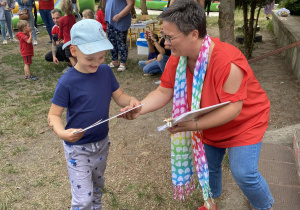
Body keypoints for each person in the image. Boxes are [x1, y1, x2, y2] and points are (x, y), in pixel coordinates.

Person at [122, 0, 274, 210]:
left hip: (244, 122)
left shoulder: (227, 62)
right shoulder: (179, 57)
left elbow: (233, 109)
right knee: (210, 168)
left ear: (194, 34)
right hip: (207, 122)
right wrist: (139, 108)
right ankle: (211, 202)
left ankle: (265, 206)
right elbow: (164, 90)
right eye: (165, 36)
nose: (165, 43)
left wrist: (192, 125)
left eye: (170, 37)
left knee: (244, 173)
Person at [47, 19, 140, 209]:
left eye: (101, 57)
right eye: (90, 58)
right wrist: (63, 133)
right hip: (77, 149)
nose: (96, 63)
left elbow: (120, 96)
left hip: (101, 144)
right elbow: (53, 115)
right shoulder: (67, 82)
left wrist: (131, 101)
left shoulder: (105, 71)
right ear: (74, 51)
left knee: (97, 190)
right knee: (83, 200)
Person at [105, 0, 134, 72]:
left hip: (121, 20)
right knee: (112, 42)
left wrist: (120, 15)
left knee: (121, 43)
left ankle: (122, 63)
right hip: (110, 21)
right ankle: (114, 61)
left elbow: (131, 4)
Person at [59, 0, 76, 66]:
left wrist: (60, 37)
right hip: (74, 41)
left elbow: (60, 31)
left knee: (71, 58)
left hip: (67, 42)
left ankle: (76, 71)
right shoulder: (73, 17)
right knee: (75, 56)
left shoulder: (61, 19)